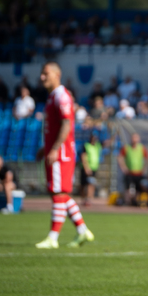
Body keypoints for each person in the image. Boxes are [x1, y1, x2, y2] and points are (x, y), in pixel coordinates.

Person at [35, 62, 94, 249]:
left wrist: (53, 149)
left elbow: (67, 124)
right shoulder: (53, 96)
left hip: (62, 153)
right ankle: (83, 231)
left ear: (57, 74)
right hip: (56, 150)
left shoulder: (62, 95)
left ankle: (53, 238)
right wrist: (46, 148)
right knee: (60, 194)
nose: (42, 77)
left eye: (46, 74)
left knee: (59, 193)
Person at [117, 133, 148, 206]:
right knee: (127, 188)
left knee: (138, 189)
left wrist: (144, 168)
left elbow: (147, 158)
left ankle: (135, 201)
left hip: (138, 173)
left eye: (136, 138)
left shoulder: (141, 148)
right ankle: (127, 202)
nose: (134, 140)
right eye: (133, 138)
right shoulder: (127, 147)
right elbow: (120, 157)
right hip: (129, 172)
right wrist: (123, 167)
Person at [80, 133, 102, 206]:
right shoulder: (86, 145)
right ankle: (84, 199)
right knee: (83, 184)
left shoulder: (97, 146)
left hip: (94, 168)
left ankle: (89, 199)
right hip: (86, 168)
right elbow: (83, 156)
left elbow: (108, 142)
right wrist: (86, 167)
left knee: (91, 183)